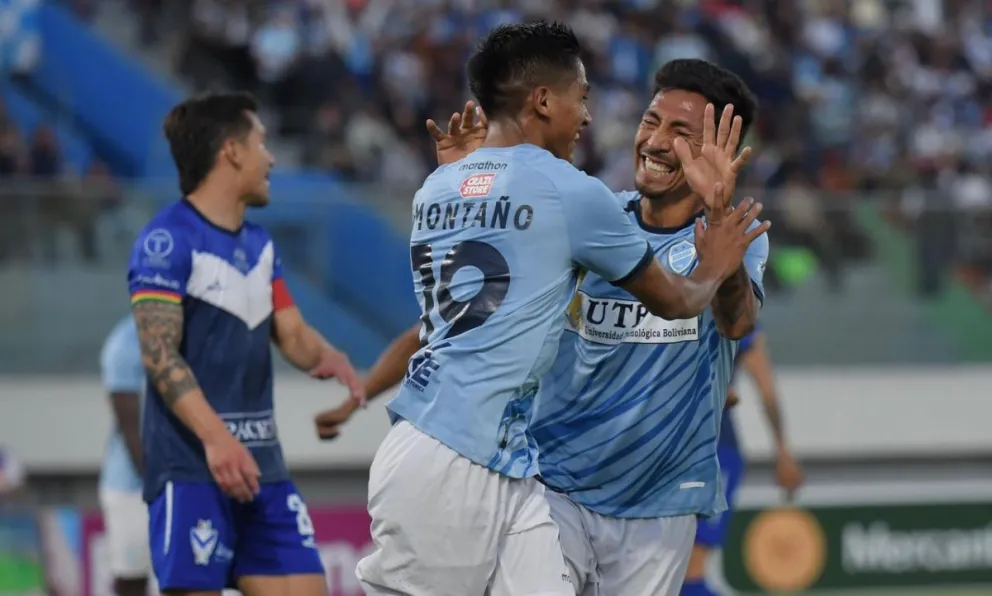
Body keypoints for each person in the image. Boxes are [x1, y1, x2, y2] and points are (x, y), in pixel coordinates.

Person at [318, 57, 769, 595]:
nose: (655, 141)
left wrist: (720, 224)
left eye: (681, 132)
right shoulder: (589, 216)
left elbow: (737, 321)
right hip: (555, 483)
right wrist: (363, 392)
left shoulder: (734, 242)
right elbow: (462, 321)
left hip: (658, 503)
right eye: (651, 122)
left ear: (719, 149)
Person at [127, 91, 364, 596]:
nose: (271, 157)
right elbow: (158, 353)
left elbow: (292, 333)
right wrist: (216, 439)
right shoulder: (165, 240)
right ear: (232, 150)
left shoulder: (260, 244)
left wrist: (332, 359)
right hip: (192, 469)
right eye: (262, 143)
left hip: (263, 470)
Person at [685, 326, 803, 596]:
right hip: (670, 457)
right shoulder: (671, 307)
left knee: (689, 572)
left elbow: (766, 390)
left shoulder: (737, 318)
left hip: (714, 456)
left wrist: (783, 452)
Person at [98, 315, 153, 596]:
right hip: (132, 488)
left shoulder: (194, 334)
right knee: (132, 582)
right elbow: (131, 430)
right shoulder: (124, 345)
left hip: (184, 476)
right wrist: (161, 489)